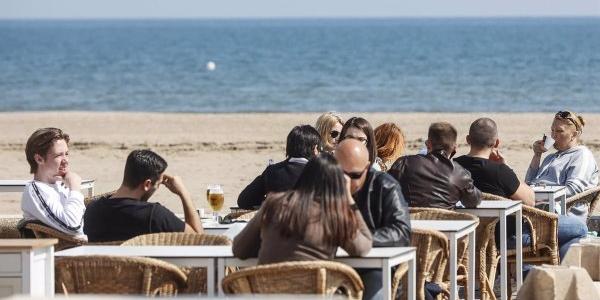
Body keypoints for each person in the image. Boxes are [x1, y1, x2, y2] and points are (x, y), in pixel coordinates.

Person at [233, 153, 372, 264]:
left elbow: (239, 249)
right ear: (338, 184)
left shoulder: (274, 203)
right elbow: (363, 247)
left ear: (305, 176)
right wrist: (348, 198)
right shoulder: (334, 215)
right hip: (316, 291)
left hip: (267, 290)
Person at [335, 139, 411, 300]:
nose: (347, 181)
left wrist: (360, 238)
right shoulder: (325, 183)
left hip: (374, 267)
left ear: (367, 167)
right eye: (341, 174)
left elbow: (401, 231)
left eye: (354, 175)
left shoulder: (385, 186)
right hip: (332, 264)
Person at [83, 149, 203, 242]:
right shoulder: (154, 215)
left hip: (99, 273)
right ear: (147, 184)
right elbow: (200, 241)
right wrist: (183, 193)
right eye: (158, 185)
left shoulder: (92, 210)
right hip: (145, 274)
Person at [454, 118, 534, 253]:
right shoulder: (500, 171)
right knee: (577, 229)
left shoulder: (451, 167)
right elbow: (530, 201)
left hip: (463, 236)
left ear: (468, 140)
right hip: (500, 238)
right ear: (496, 143)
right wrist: (505, 166)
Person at [525, 111, 597, 258]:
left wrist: (539, 196)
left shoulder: (582, 155)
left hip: (562, 214)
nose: (554, 135)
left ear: (574, 134)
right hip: (538, 209)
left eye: (559, 131)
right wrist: (537, 155)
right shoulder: (550, 157)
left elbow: (573, 189)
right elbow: (529, 183)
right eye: (552, 130)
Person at [389, 122, 481, 209]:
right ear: (454, 148)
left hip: (410, 223)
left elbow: (385, 190)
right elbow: (473, 201)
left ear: (428, 144)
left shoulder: (404, 163)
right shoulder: (460, 173)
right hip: (444, 224)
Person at [21, 127, 86, 239]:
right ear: (39, 159)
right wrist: (75, 189)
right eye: (59, 155)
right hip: (64, 253)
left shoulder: (62, 185)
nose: (66, 160)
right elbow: (73, 227)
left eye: (67, 154)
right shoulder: (35, 190)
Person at [237, 125, 322, 209]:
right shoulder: (320, 174)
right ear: (315, 149)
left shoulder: (271, 171)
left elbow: (244, 201)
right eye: (319, 150)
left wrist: (269, 201)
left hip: (276, 221)